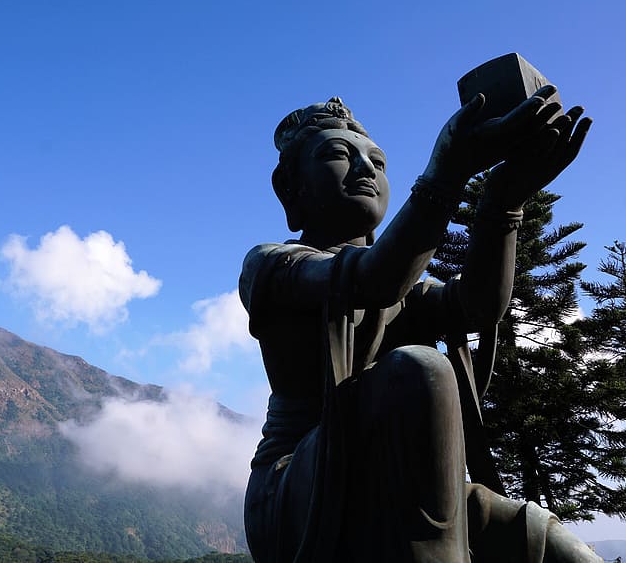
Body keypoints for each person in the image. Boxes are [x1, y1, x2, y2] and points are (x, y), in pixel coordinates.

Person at [240, 91, 598, 562]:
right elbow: (373, 281)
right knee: (419, 368)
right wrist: (446, 175)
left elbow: (475, 307)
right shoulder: (275, 265)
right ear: (291, 188)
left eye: (379, 162)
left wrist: (503, 201)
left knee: (549, 542)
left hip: (397, 471)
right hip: (300, 484)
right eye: (336, 155)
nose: (367, 170)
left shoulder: (410, 289)